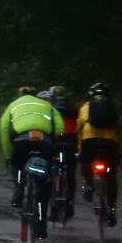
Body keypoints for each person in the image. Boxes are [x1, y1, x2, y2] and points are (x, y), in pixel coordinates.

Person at [0, 87, 65, 237]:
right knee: (43, 185)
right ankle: (40, 228)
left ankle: (18, 191)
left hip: (21, 141)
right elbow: (60, 126)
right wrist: (52, 140)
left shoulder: (13, 105)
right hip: (43, 141)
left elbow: (4, 128)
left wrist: (8, 153)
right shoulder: (46, 105)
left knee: (17, 164)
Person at [76, 82, 122, 226]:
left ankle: (89, 184)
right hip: (109, 142)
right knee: (111, 176)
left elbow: (79, 128)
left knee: (85, 162)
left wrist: (79, 148)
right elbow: (119, 129)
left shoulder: (85, 106)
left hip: (89, 141)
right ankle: (112, 211)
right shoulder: (112, 106)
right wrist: (119, 149)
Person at [46, 85, 80, 219]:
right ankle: (70, 203)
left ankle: (53, 208)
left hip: (56, 141)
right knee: (70, 173)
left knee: (51, 172)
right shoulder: (73, 107)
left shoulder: (48, 107)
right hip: (71, 141)